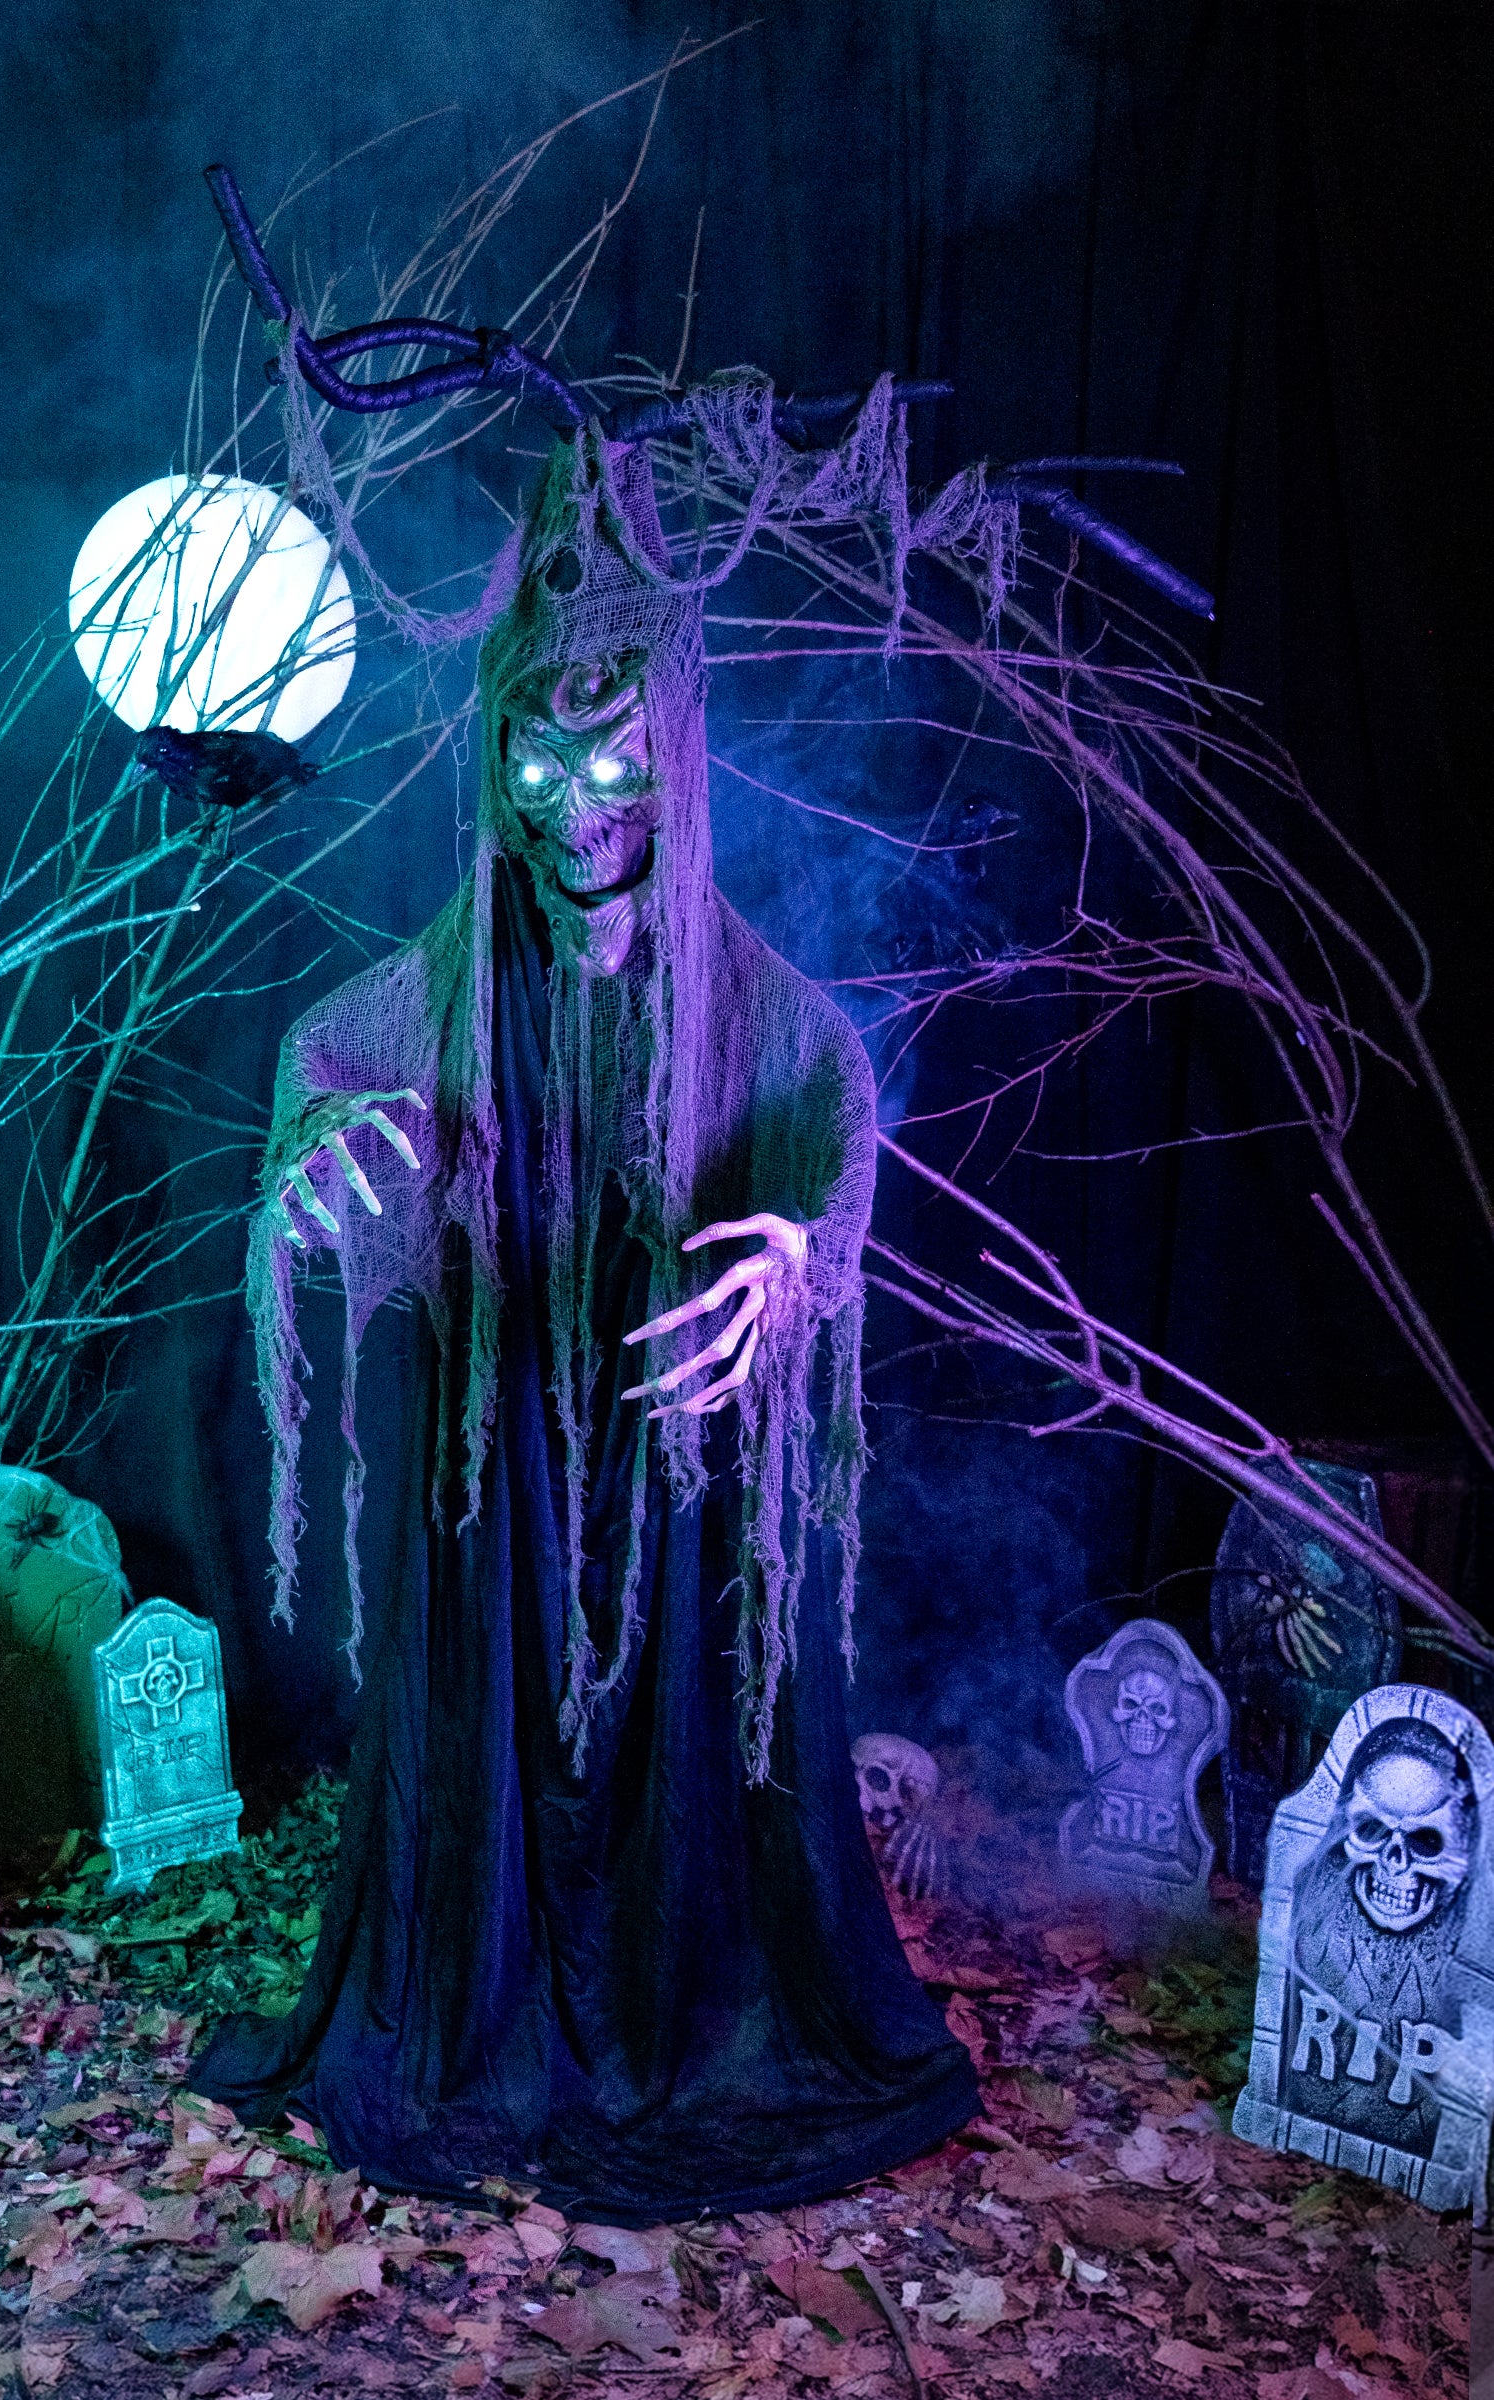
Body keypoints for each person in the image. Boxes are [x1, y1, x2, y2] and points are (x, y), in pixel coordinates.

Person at [190, 432, 977, 2220]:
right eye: (540, 761)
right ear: (494, 764)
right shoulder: (439, 983)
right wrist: (317, 1167)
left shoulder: (754, 1004)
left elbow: (829, 1103)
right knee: (492, 1712)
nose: (576, 803)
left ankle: (687, 1999)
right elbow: (329, 1068)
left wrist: (801, 1259)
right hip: (499, 1467)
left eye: (618, 758)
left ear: (675, 761)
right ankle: (487, 1997)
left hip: (675, 1457)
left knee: (690, 1734)